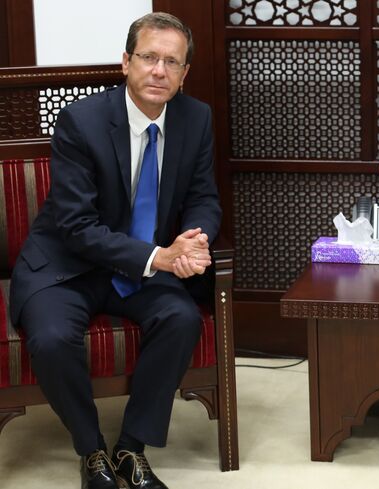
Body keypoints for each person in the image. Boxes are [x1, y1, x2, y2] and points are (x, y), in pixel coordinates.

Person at [9, 12, 221, 489]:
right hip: (68, 265)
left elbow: (204, 197)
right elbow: (76, 226)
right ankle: (91, 453)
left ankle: (131, 448)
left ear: (185, 73)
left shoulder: (196, 118)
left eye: (172, 62)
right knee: (50, 338)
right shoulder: (81, 121)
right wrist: (159, 257)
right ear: (126, 62)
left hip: (140, 268)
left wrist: (194, 239)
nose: (159, 71)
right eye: (149, 57)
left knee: (181, 318)